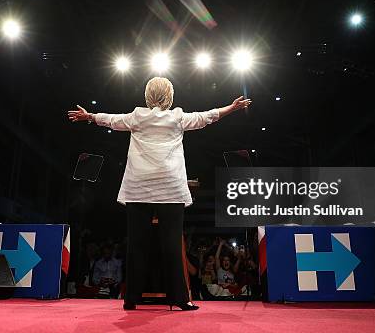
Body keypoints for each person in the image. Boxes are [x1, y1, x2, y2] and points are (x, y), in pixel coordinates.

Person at [68, 77, 252, 311]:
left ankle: (131, 298)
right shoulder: (177, 117)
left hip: (139, 188)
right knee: (172, 245)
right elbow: (208, 117)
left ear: (148, 95)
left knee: (136, 245)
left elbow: (111, 120)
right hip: (170, 189)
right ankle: (180, 299)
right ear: (170, 95)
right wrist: (232, 108)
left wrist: (90, 117)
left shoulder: (137, 116)